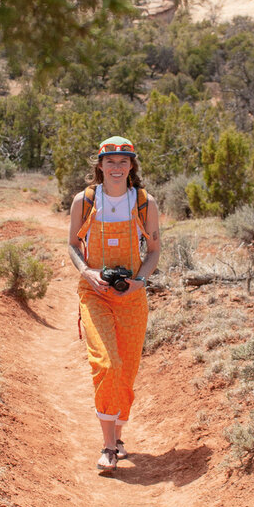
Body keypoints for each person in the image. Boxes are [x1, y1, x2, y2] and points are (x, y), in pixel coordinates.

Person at [68, 136, 161, 473]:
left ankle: (118, 437)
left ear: (132, 165)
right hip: (94, 293)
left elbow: (153, 251)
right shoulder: (85, 200)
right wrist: (87, 272)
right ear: (100, 166)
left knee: (127, 370)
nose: (118, 167)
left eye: (124, 161)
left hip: (132, 296)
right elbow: (73, 246)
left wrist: (141, 280)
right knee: (107, 363)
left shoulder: (145, 203)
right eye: (111, 162)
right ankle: (108, 447)